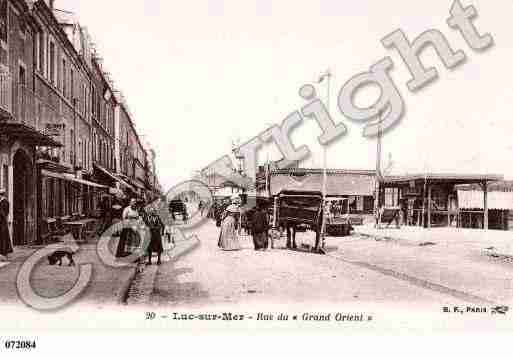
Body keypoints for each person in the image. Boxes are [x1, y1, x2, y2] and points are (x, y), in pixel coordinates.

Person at [0, 188, 13, 260]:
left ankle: (4, 254)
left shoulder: (5, 202)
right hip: (1, 222)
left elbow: (4, 213)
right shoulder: (2, 202)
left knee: (3, 238)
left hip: (3, 222)